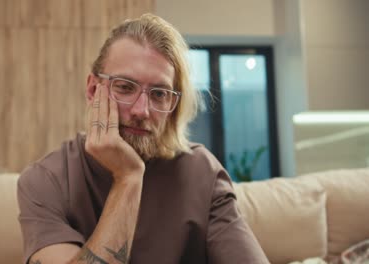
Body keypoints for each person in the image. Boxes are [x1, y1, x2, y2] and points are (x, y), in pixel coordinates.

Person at [17, 13, 269, 264]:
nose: (141, 110)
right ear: (94, 90)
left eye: (159, 93)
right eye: (125, 87)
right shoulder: (46, 180)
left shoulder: (202, 172)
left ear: (173, 104)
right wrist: (128, 177)